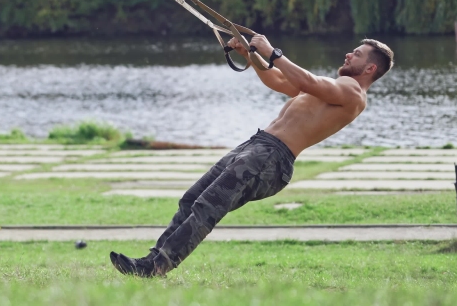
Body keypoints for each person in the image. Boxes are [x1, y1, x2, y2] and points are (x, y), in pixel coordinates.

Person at [110, 35, 395, 277]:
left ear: (369, 67)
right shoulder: (334, 89)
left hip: (272, 158)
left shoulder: (353, 93)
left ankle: (157, 266)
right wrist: (250, 55)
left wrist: (273, 52)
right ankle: (152, 260)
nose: (348, 54)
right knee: (190, 200)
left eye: (356, 54)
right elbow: (280, 80)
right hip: (257, 145)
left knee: (207, 206)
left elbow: (307, 81)